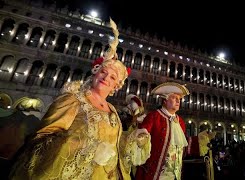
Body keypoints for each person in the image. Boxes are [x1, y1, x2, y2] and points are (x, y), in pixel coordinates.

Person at [9, 18, 151, 180]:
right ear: (95, 73)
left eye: (112, 77)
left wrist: (133, 138)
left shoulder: (112, 111)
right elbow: (40, 139)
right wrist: (85, 148)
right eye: (103, 72)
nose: (106, 78)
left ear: (115, 86)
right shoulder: (73, 100)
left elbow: (115, 146)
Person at [135, 82, 190, 180]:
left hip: (175, 174)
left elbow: (182, 146)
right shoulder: (154, 116)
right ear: (165, 100)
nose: (178, 101)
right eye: (174, 97)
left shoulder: (180, 121)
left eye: (179, 99)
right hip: (156, 173)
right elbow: (140, 139)